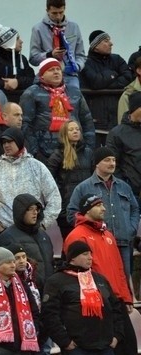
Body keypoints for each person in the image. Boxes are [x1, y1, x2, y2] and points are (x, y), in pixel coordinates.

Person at [65, 195, 141, 355]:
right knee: (102, 347)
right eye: (98, 205)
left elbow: (118, 267)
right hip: (93, 300)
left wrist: (126, 296)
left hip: (115, 298)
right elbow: (75, 269)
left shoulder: (108, 234)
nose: (104, 208)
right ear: (87, 209)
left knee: (128, 342)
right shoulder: (77, 235)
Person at [67, 147, 139, 277]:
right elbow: (72, 213)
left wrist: (130, 228)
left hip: (123, 242)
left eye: (114, 160)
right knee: (102, 281)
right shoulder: (83, 187)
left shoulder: (124, 186)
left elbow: (135, 209)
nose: (112, 163)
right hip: (97, 245)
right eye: (107, 160)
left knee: (125, 279)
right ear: (97, 163)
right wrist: (88, 230)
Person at [0, 128, 61, 231]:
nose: (6, 145)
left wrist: (42, 224)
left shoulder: (37, 167)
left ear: (19, 141)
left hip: (33, 231)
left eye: (10, 141)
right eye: (4, 142)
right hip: (3, 231)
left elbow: (54, 198)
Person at [20, 58, 95, 164]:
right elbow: (25, 124)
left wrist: (88, 149)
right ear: (42, 75)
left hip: (76, 152)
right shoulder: (31, 93)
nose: (56, 72)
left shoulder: (75, 92)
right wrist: (35, 151)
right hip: (45, 154)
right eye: (51, 70)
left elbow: (87, 121)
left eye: (58, 69)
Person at [80, 30, 133, 130]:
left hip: (118, 116)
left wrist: (105, 83)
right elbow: (95, 82)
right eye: (106, 41)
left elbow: (128, 77)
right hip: (96, 117)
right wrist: (113, 74)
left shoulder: (117, 59)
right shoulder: (86, 63)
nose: (111, 43)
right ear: (95, 46)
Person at [48, 120, 93, 237]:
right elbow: (48, 180)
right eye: (71, 129)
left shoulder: (88, 153)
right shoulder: (57, 155)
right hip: (67, 207)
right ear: (64, 133)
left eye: (77, 129)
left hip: (87, 206)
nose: (75, 131)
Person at [0, 194, 55, 282]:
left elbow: (51, 262)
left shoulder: (44, 235)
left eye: (36, 209)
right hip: (23, 290)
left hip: (48, 289)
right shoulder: (8, 237)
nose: (35, 212)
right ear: (21, 211)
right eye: (30, 209)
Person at [29, 0, 86, 88]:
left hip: (70, 76)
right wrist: (50, 54)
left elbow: (81, 55)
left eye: (61, 12)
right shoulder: (38, 29)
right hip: (48, 75)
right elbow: (33, 58)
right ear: (47, 10)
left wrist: (77, 66)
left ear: (64, 9)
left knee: (74, 97)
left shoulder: (74, 27)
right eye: (54, 13)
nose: (58, 16)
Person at [107, 92, 141, 199]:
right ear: (135, 108)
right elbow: (112, 164)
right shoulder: (117, 133)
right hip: (131, 193)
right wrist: (125, 187)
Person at [0, 24, 35, 95]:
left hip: (21, 99)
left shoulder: (22, 59)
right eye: (17, 39)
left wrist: (17, 82)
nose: (21, 41)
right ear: (8, 43)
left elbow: (32, 79)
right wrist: (3, 83)